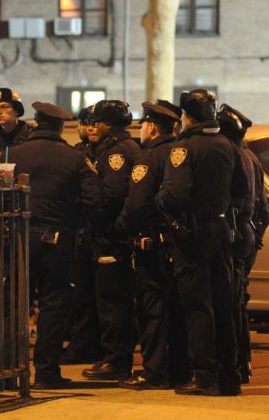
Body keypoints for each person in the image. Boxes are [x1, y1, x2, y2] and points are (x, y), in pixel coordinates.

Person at [0, 102, 103, 389]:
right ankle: (47, 373)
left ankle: (9, 374)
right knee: (54, 305)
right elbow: (94, 198)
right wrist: (73, 222)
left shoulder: (13, 153)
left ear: (36, 124)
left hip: (18, 237)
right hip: (57, 239)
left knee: (15, 304)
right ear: (61, 128)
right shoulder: (74, 157)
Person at [155, 89, 248, 396]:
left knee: (198, 306)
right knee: (223, 304)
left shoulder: (184, 148)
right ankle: (229, 376)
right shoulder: (227, 145)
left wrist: (159, 199)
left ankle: (205, 376)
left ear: (187, 117)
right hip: (221, 229)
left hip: (192, 233)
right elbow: (242, 190)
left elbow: (176, 194)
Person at [114, 101, 189, 390]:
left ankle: (154, 371)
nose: (141, 129)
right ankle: (179, 369)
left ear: (153, 127)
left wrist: (120, 227)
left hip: (152, 243)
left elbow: (137, 204)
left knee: (152, 309)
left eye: (143, 124)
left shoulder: (149, 158)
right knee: (177, 308)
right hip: (178, 242)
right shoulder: (180, 151)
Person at [81, 100, 139, 381]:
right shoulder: (111, 147)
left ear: (111, 125)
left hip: (111, 236)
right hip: (111, 233)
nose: (92, 127)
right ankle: (113, 357)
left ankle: (115, 361)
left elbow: (113, 195)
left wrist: (97, 221)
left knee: (112, 299)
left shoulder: (118, 152)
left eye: (97, 122)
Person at [217, 104, 269, 384]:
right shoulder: (251, 157)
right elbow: (266, 210)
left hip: (235, 235)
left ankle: (236, 364)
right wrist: (255, 236)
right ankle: (243, 363)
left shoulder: (233, 157)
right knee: (238, 303)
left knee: (230, 304)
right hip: (247, 235)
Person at [62, 103, 102, 365]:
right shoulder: (78, 152)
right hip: (80, 230)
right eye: (85, 122)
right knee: (81, 293)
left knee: (92, 294)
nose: (87, 127)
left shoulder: (103, 152)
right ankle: (82, 343)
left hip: (95, 230)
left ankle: (87, 345)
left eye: (91, 122)